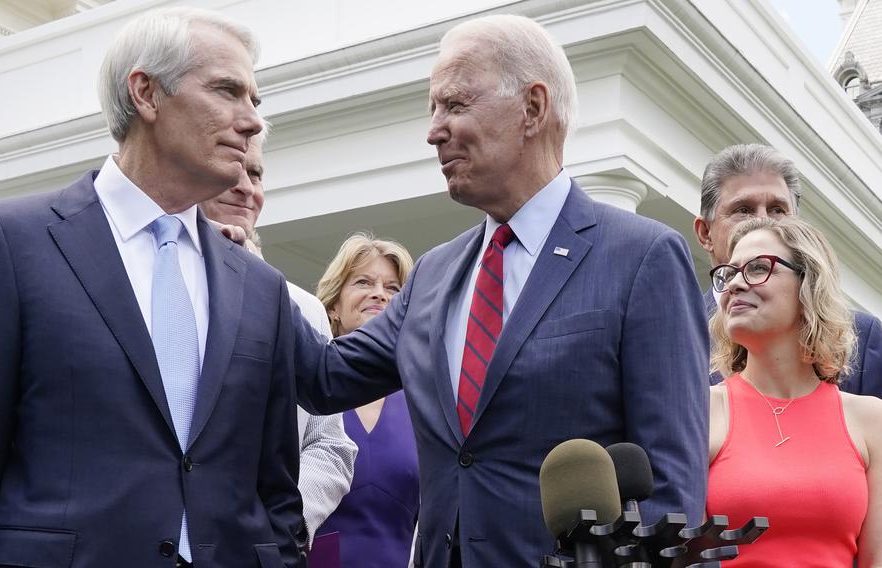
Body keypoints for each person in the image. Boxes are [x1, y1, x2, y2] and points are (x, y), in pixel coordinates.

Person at [290, 14, 709, 567]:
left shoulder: (641, 257)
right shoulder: (435, 274)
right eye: (432, 109)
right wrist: (230, 265)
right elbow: (323, 377)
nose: (434, 130)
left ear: (533, 108)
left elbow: (672, 484)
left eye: (455, 105)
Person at [0, 8, 305, 566]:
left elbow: (276, 485)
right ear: (146, 93)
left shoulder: (261, 286)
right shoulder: (10, 242)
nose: (252, 123)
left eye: (256, 101)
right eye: (228, 91)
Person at [199, 129, 357, 552]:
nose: (246, 188)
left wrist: (277, 526)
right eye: (232, 171)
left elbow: (331, 445)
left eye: (255, 174)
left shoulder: (303, 309)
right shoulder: (156, 289)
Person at [706, 216, 881, 566]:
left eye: (757, 268)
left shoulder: (871, 420)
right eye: (729, 273)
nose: (736, 284)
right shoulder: (701, 410)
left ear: (808, 286)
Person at [694, 143, 882, 396]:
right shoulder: (675, 335)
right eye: (743, 210)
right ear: (705, 233)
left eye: (777, 209)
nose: (763, 221)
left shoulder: (862, 336)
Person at [312, 233, 419, 568]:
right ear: (333, 306)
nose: (379, 294)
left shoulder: (424, 398)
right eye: (363, 282)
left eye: (393, 288)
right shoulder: (305, 391)